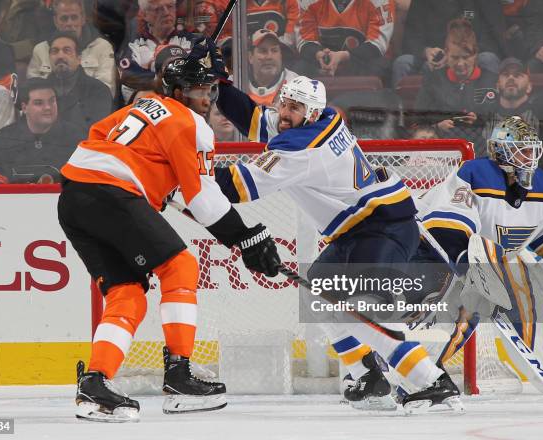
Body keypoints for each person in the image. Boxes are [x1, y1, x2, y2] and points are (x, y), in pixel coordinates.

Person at [189, 39, 464, 413]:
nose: (284, 113)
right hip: (359, 229)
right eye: (284, 103)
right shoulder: (323, 118)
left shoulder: (302, 149)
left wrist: (182, 170)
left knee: (360, 310)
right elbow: (256, 119)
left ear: (310, 112)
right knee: (318, 293)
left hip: (383, 226)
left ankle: (433, 381)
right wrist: (219, 83)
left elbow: (237, 187)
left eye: (294, 108)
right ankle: (367, 375)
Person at [58, 56, 282, 421]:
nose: (207, 99)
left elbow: (98, 135)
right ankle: (180, 374)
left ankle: (95, 383)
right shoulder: (190, 123)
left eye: (210, 90)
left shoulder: (140, 106)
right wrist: (247, 237)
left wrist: (155, 187)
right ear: (178, 92)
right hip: (113, 194)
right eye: (198, 91)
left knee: (127, 291)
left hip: (73, 197)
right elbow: (205, 201)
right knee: (180, 266)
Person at [415, 116, 543, 373]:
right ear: (501, 152)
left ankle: (525, 363)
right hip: (440, 252)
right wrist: (467, 270)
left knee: (519, 295)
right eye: (522, 150)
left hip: (492, 262)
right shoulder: (476, 172)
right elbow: (447, 228)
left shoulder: (542, 185)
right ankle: (413, 369)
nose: (529, 157)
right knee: (455, 313)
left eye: (532, 150)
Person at [0, 78, 85, 183]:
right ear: (24, 108)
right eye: (39, 103)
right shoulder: (4, 139)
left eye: (52, 101)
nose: (48, 107)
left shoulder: (76, 137)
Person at [414, 18, 497, 149]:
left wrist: (478, 121)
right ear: (446, 53)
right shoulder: (433, 80)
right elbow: (417, 122)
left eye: (465, 57)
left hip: (482, 150)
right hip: (441, 150)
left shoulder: (491, 80)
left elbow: (502, 123)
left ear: (475, 54)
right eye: (455, 57)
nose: (460, 63)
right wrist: (437, 127)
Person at [392, 0, 505, 87]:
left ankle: (487, 112)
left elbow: (493, 38)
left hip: (472, 55)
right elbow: (411, 38)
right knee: (403, 63)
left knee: (488, 59)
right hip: (434, 57)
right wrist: (425, 51)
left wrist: (460, 55)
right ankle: (403, 115)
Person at [27, 0, 117, 96]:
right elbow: (32, 92)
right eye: (64, 18)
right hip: (51, 108)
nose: (69, 23)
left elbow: (105, 92)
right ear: (56, 21)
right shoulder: (40, 50)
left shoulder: (102, 47)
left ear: (83, 19)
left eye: (74, 17)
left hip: (90, 108)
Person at [116, 0, 196, 101]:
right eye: (158, 9)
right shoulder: (133, 45)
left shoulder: (192, 42)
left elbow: (197, 76)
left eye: (170, 6)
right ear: (145, 15)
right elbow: (128, 77)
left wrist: (150, 71)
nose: (166, 12)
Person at [297, 0, 395, 77]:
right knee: (300, 68)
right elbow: (305, 40)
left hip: (363, 62)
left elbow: (377, 44)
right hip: (323, 60)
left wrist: (343, 56)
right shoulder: (307, 1)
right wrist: (319, 54)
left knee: (377, 67)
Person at [46, 32, 113, 132]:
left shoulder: (98, 90)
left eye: (67, 50)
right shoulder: (40, 91)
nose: (60, 56)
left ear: (79, 58)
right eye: (54, 51)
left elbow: (97, 132)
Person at [482, 58, 543, 158]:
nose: (511, 78)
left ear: (529, 87)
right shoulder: (485, 116)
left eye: (517, 75)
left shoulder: (541, 116)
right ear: (497, 86)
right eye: (506, 74)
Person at [247, 29, 298, 107]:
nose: (269, 57)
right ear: (250, 57)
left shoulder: (296, 84)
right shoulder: (235, 82)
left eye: (274, 50)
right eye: (263, 51)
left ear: (281, 55)